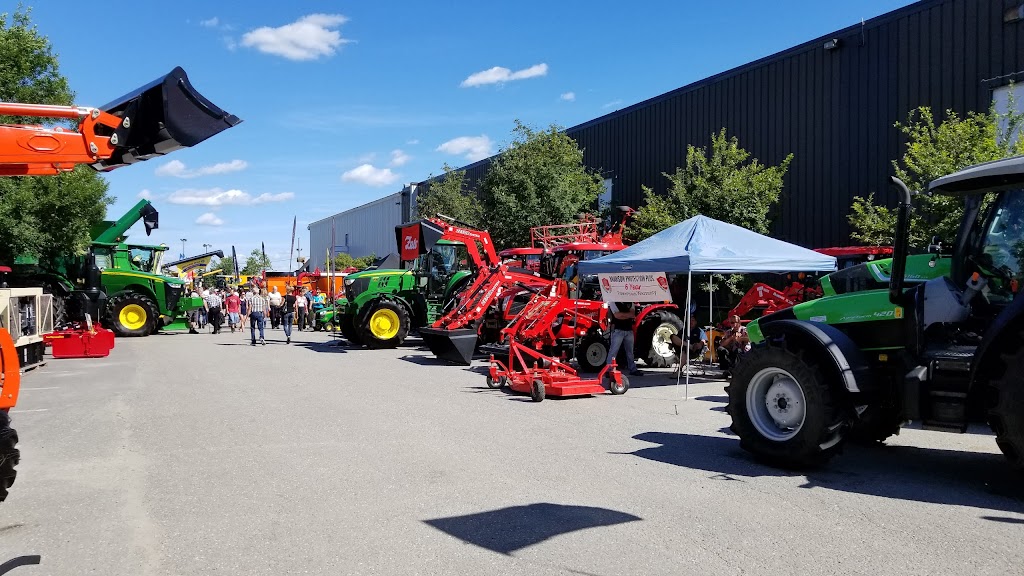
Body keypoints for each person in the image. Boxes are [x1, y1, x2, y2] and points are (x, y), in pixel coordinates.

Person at [606, 302, 643, 377]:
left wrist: (622, 315)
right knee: (613, 351)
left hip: (628, 330)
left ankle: (633, 369)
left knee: (630, 352)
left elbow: (632, 315)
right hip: (618, 330)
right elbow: (617, 316)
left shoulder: (630, 302)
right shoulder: (613, 302)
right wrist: (627, 315)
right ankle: (608, 370)